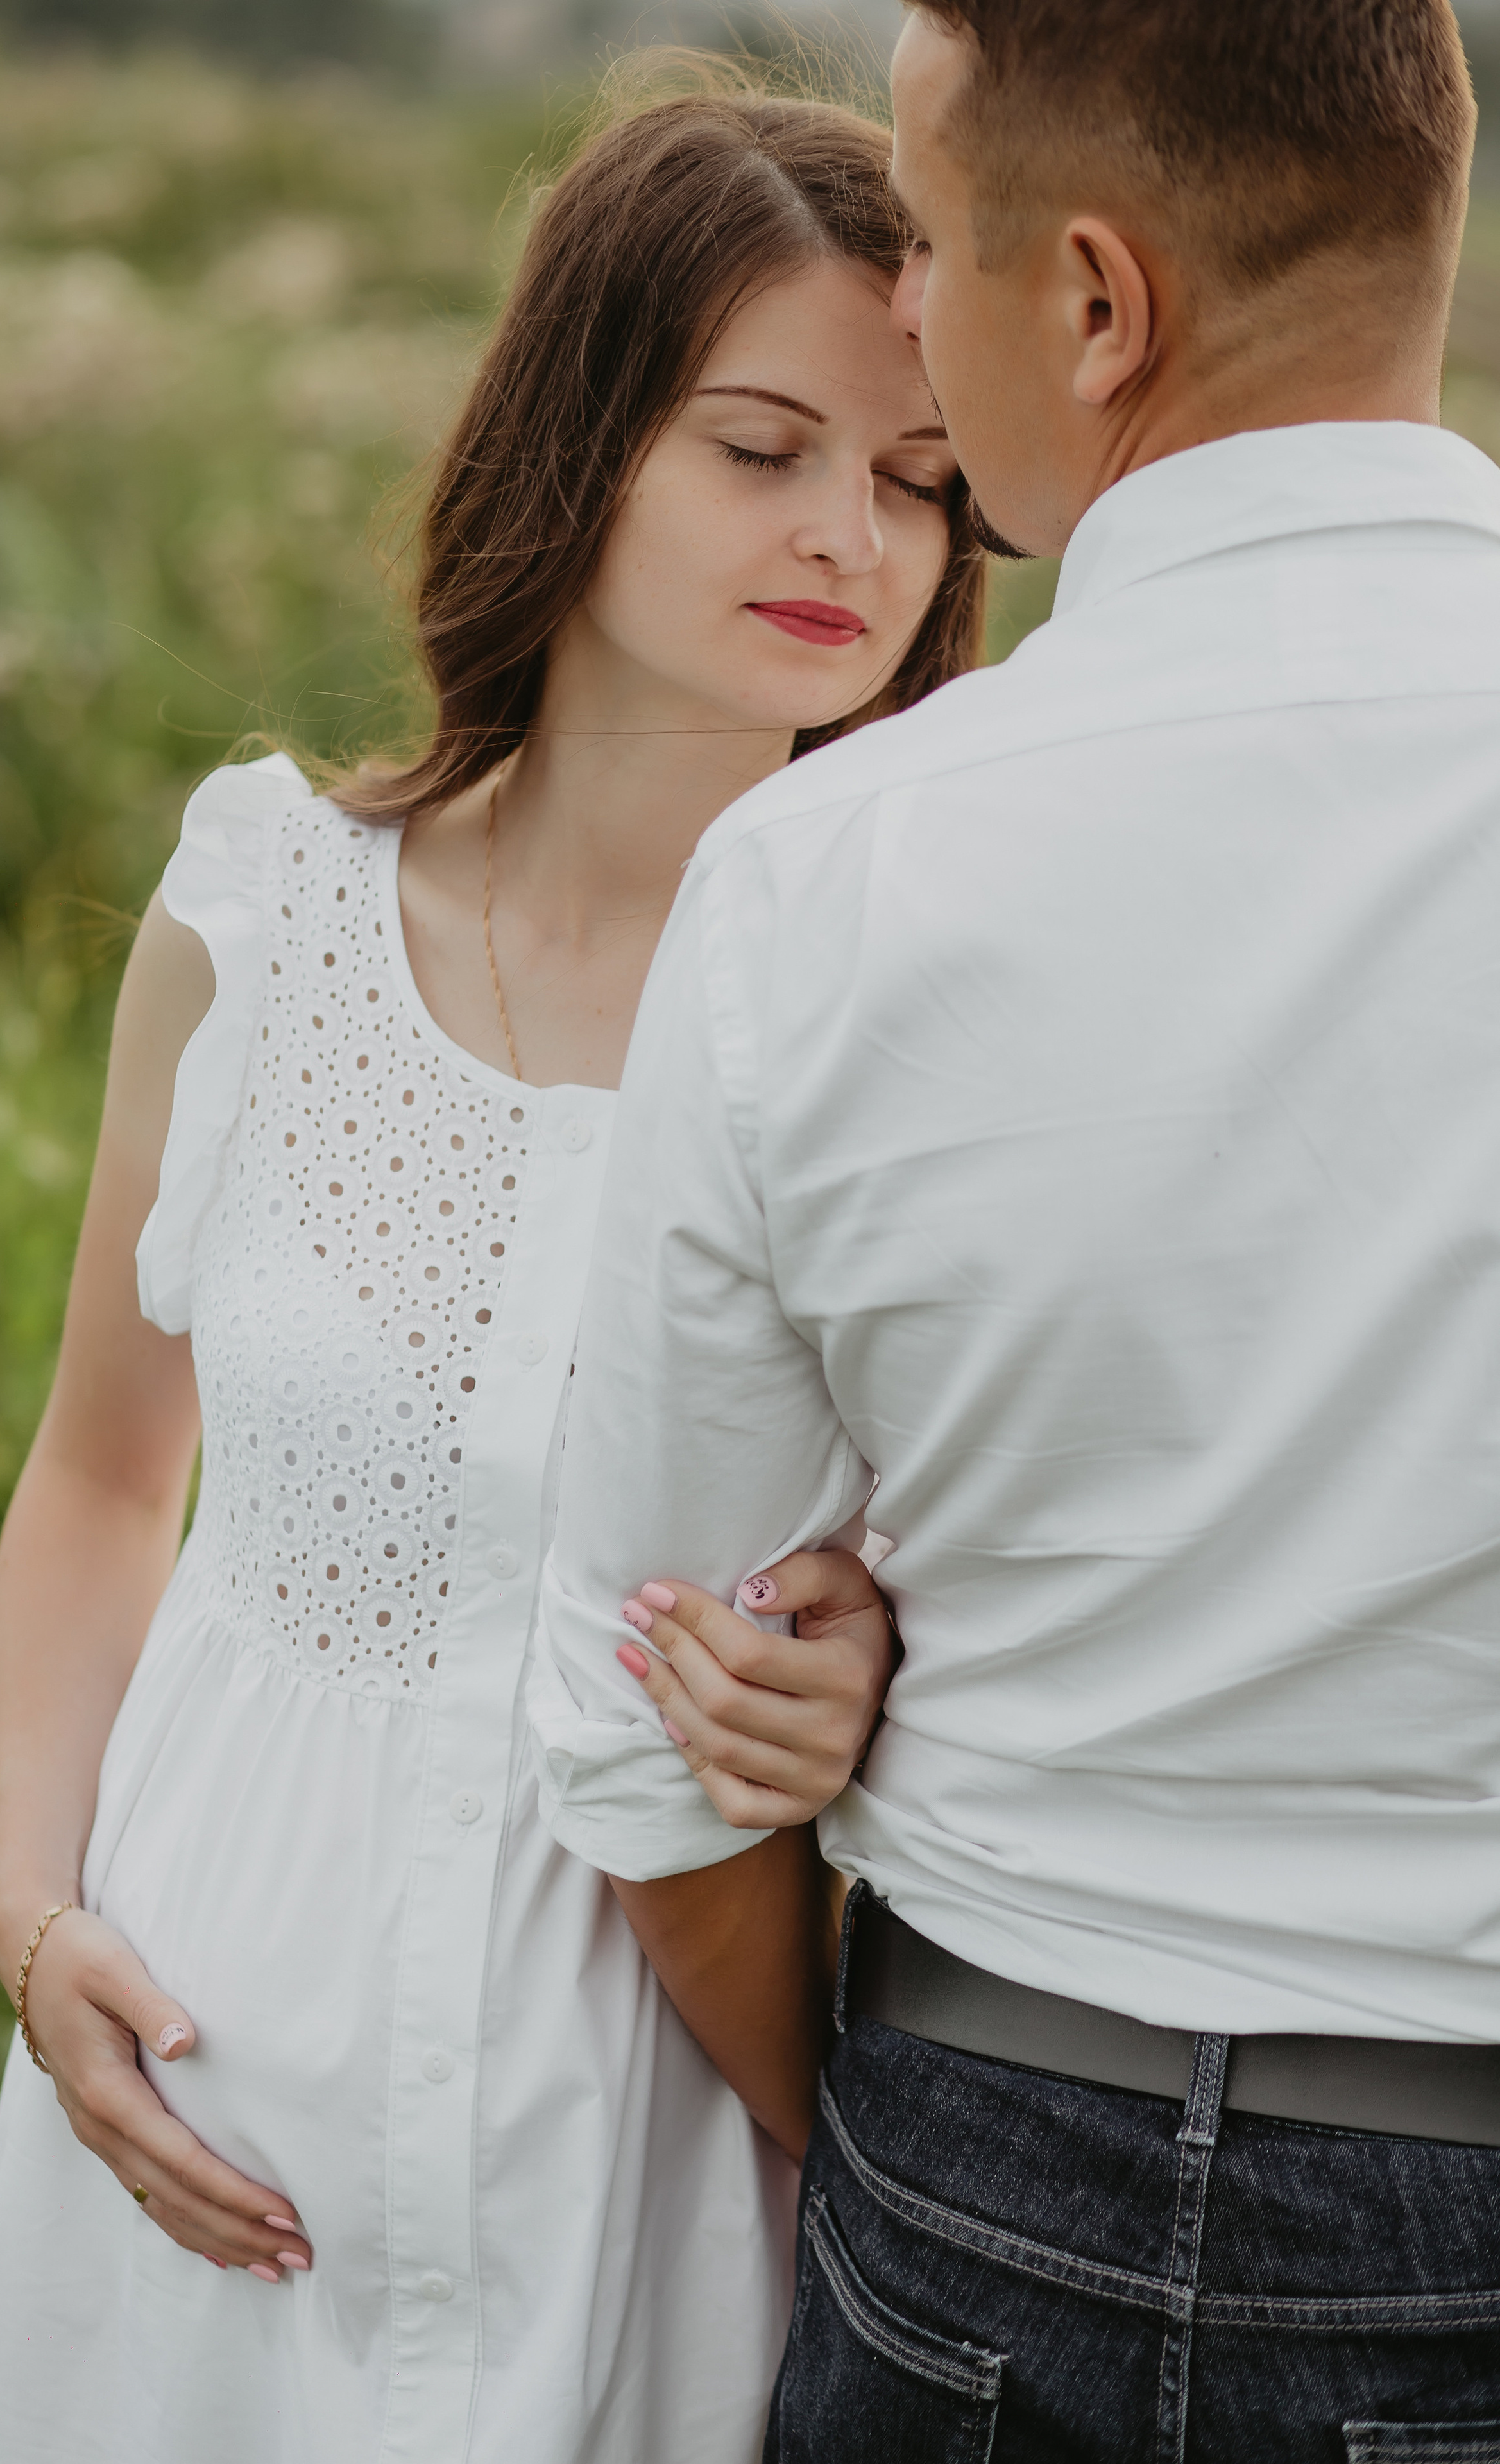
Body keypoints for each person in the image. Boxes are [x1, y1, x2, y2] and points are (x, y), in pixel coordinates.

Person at [0, 69, 987, 2464]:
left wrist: (850, 1677)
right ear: (580, 434)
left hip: (661, 2132)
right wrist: (33, 1918)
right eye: (764, 445)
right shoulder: (261, 914)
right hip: (212, 2100)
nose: (856, 530)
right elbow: (110, 1481)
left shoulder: (935, 1020)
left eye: (928, 480)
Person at [533, 4, 1500, 2456]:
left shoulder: (829, 872)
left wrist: (846, 2151)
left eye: (939, 251)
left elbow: (653, 1721)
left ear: (1092, 302)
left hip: (990, 2157)